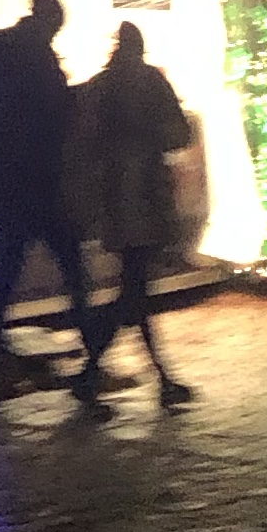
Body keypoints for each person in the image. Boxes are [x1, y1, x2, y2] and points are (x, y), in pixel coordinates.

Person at [0, 0, 104, 396]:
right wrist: (82, 93)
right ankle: (93, 354)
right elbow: (54, 114)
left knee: (7, 271)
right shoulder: (35, 57)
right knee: (72, 268)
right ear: (48, 22)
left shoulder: (1, 53)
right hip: (39, 182)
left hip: (8, 184)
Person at [70, 21, 198, 411]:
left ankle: (101, 374)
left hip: (116, 199)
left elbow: (84, 142)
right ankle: (103, 374)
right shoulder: (150, 82)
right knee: (134, 292)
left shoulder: (100, 86)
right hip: (145, 198)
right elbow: (178, 135)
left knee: (133, 290)